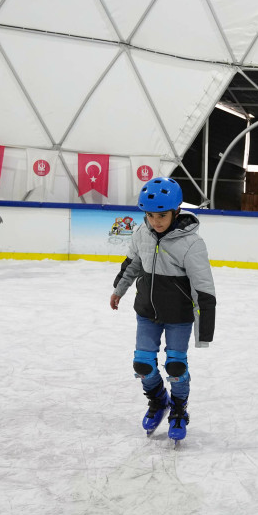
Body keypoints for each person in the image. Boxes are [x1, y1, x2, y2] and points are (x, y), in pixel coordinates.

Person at [110, 177, 216, 443]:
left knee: (176, 366)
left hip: (178, 317)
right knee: (142, 365)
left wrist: (204, 331)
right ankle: (158, 400)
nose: (155, 221)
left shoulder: (192, 244)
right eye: (149, 215)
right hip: (147, 311)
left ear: (176, 211)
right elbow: (132, 264)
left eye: (161, 215)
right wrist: (119, 289)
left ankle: (179, 409)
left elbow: (203, 288)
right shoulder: (140, 233)